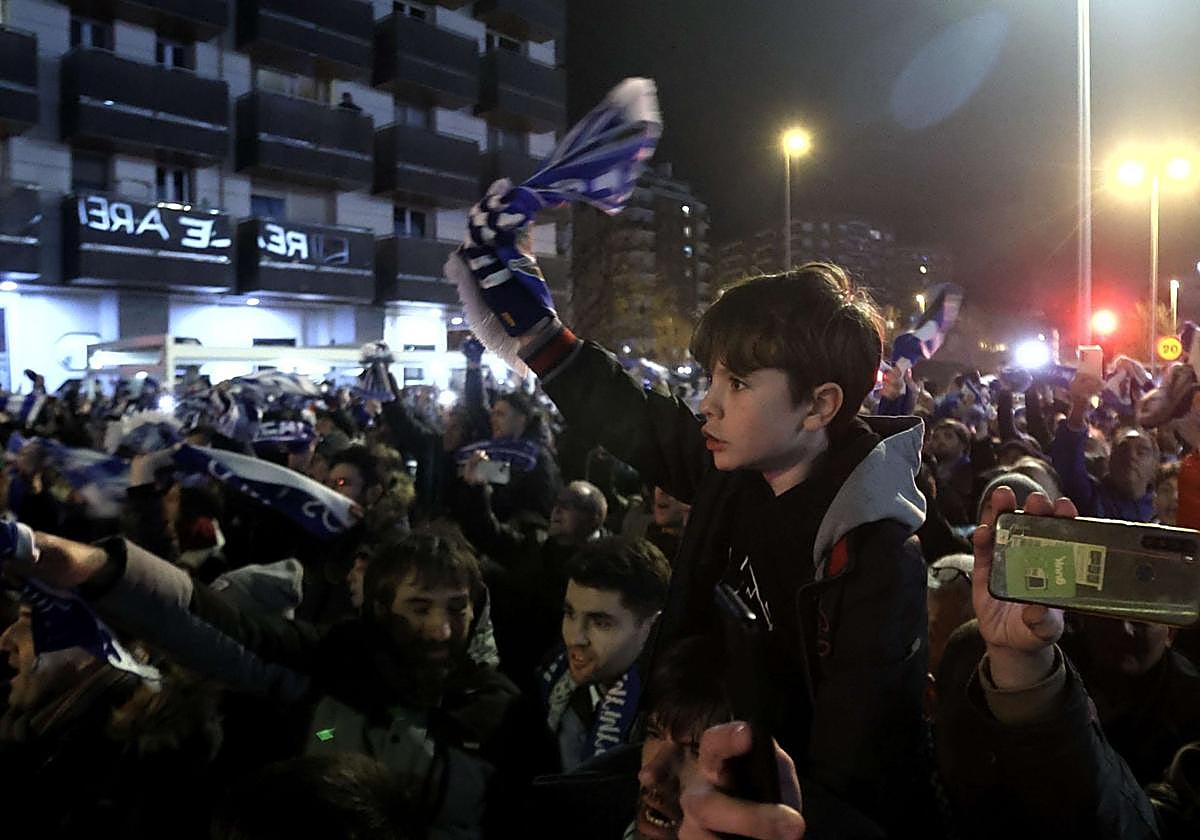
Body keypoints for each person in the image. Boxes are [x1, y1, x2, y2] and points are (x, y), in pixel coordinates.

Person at [463, 223, 931, 831]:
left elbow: (853, 772)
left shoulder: (875, 559)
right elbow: (630, 415)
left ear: (819, 405)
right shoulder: (732, 472)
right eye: (711, 378)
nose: (707, 402)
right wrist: (537, 331)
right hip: (678, 761)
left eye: (736, 383)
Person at [5, 525, 555, 839]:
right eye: (419, 607)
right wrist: (91, 566)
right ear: (382, 608)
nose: (440, 629)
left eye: (457, 609)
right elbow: (219, 627)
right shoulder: (330, 665)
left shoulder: (503, 710)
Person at [458, 473, 609, 690]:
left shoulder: (605, 565)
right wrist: (476, 488)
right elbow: (487, 533)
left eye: (570, 505)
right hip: (514, 662)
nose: (557, 510)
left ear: (595, 517)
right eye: (557, 503)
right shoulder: (534, 545)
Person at [540, 536, 669, 771]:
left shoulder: (665, 726)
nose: (574, 638)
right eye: (569, 613)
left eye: (600, 623)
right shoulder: (550, 676)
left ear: (652, 627)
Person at [1051, 373, 1156, 521]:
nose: (1131, 456)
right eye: (1123, 450)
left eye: (1142, 452)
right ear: (1109, 460)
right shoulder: (1093, 499)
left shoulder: (1164, 508)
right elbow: (1068, 460)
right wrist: (1080, 406)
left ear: (1154, 466)